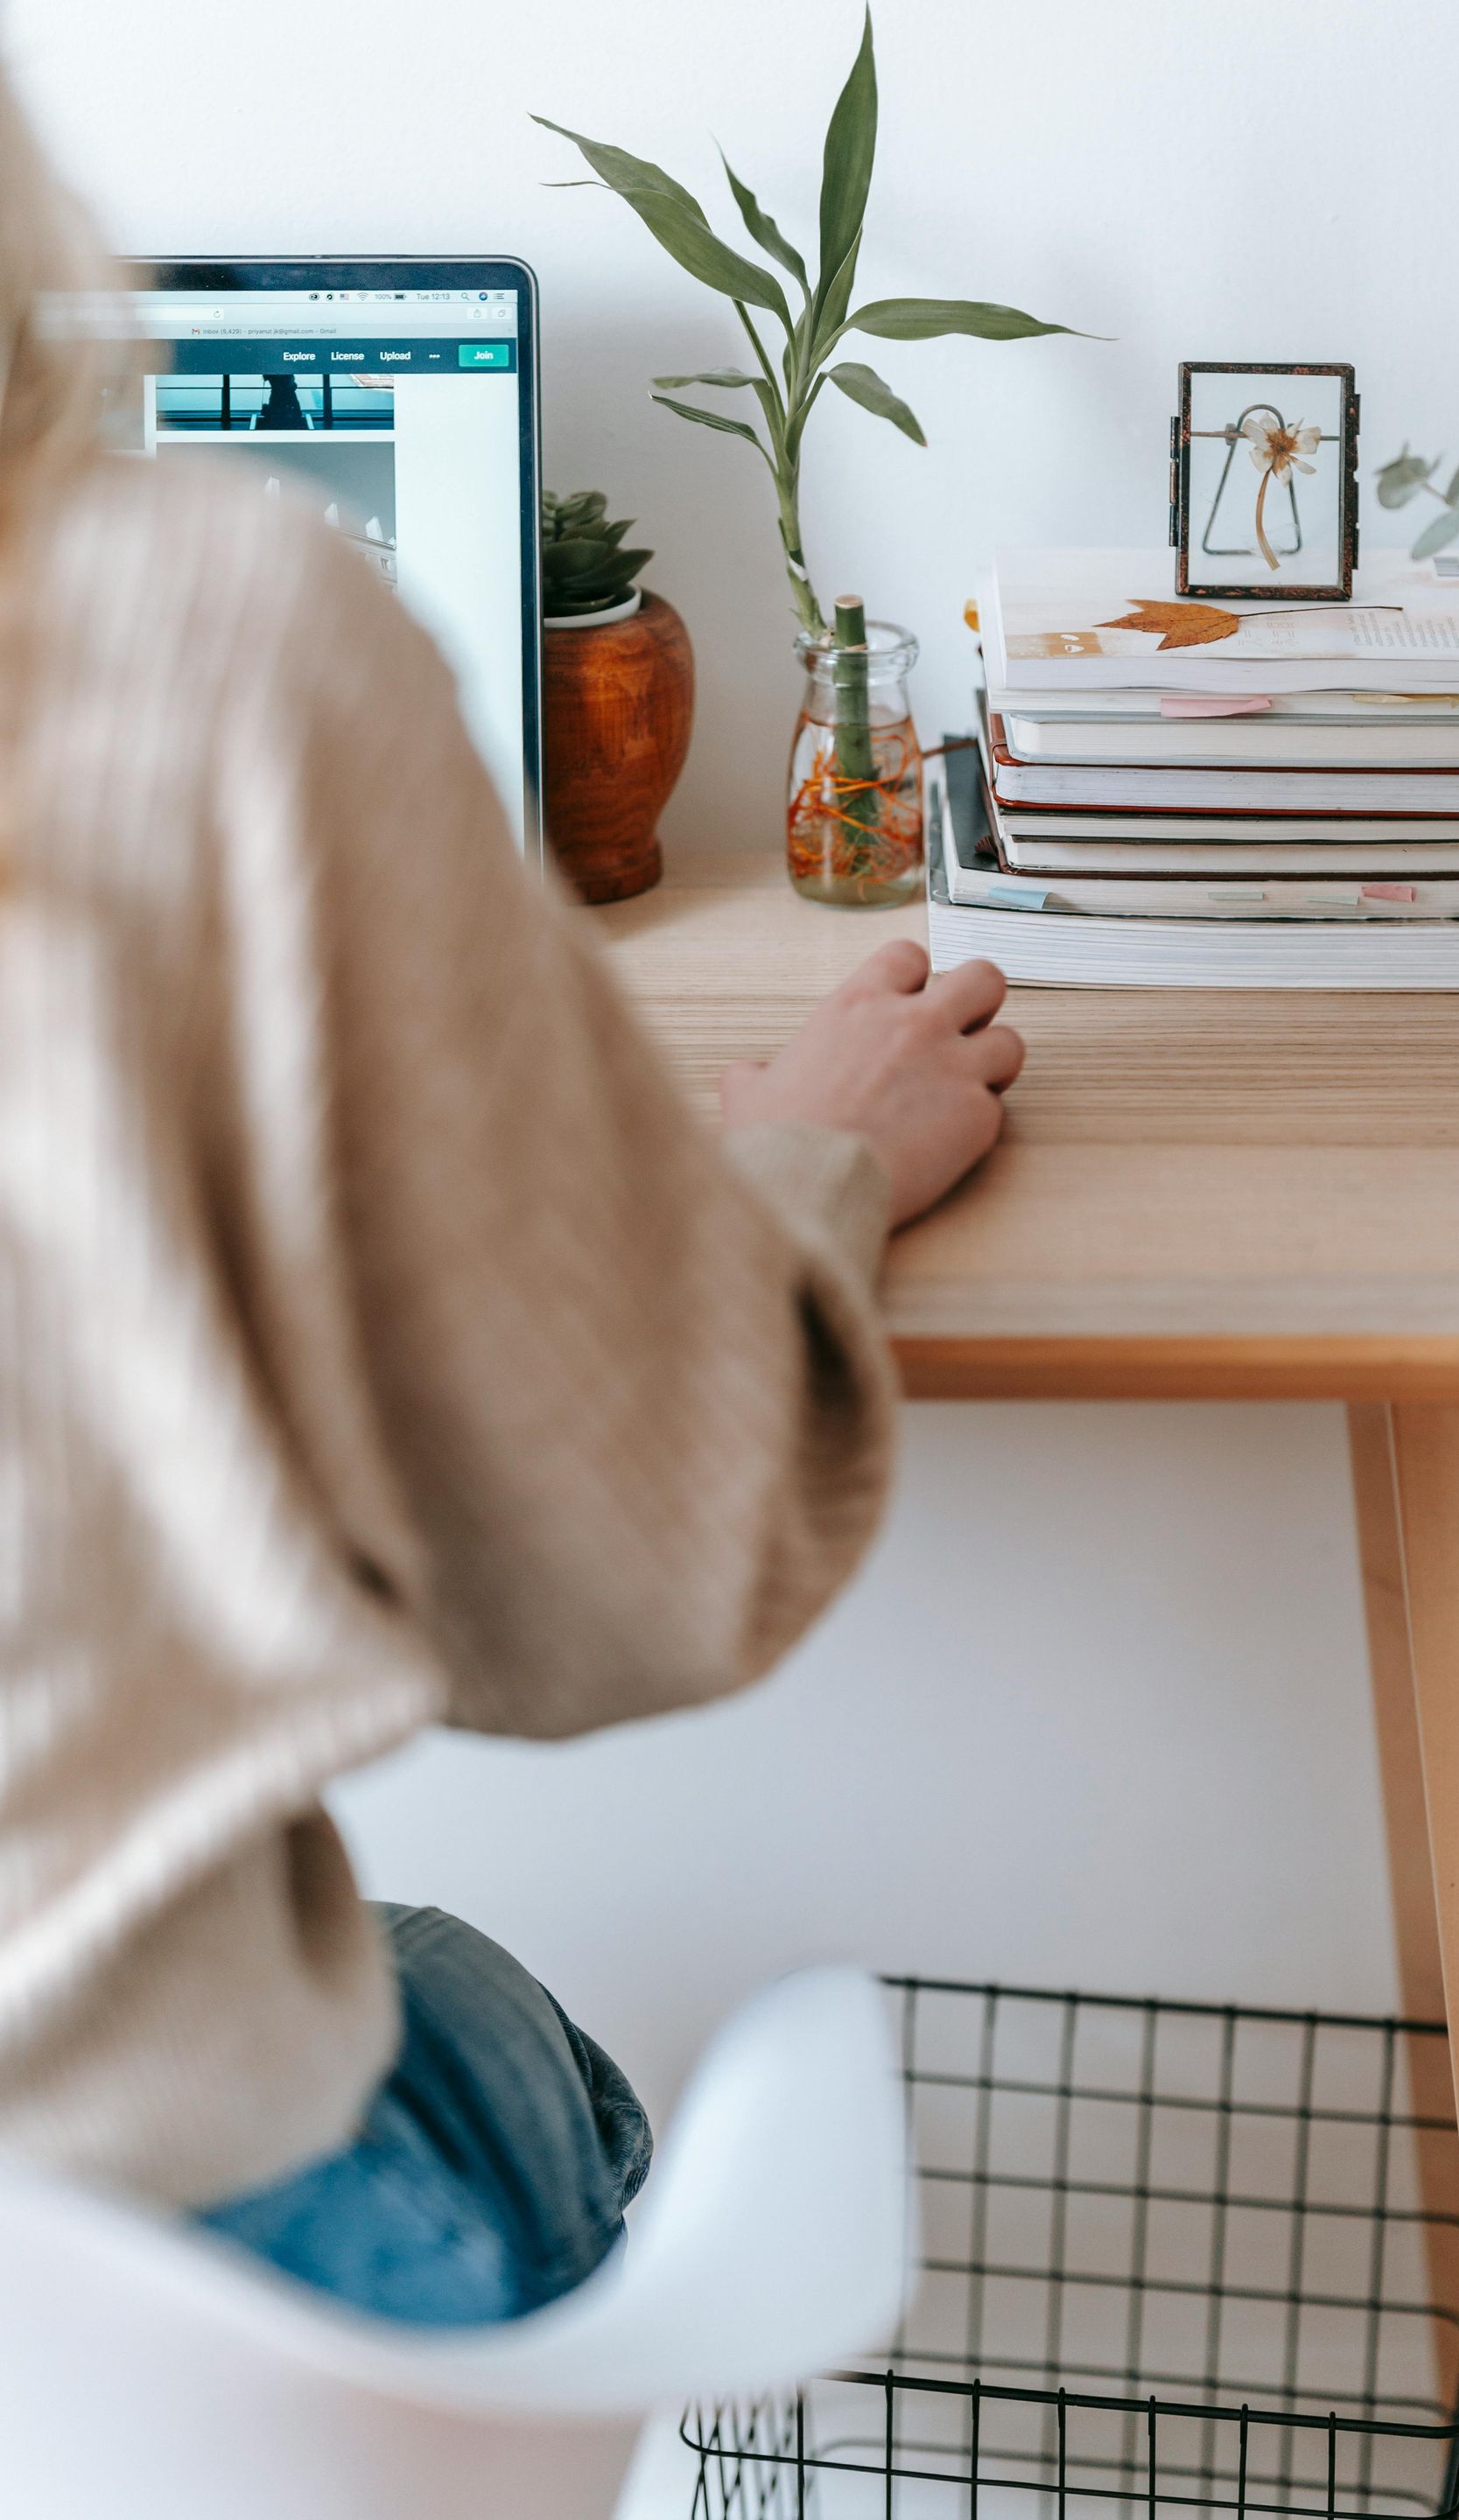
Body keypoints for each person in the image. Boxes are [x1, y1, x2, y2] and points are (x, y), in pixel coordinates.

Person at [0, 66, 1024, 2325]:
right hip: (137, 2245)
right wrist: (808, 1159)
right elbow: (629, 1566)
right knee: (496, 2037)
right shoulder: (197, 640)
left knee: (435, 1975)